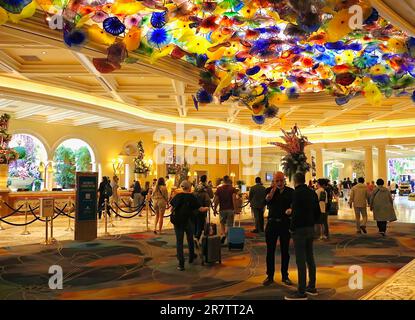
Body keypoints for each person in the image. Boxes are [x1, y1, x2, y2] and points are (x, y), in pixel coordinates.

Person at [284, 173, 320, 300]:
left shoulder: (296, 193)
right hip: (310, 227)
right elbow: (317, 211)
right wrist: (315, 225)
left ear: (295, 181)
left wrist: (291, 227)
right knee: (310, 257)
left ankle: (301, 291)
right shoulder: (312, 192)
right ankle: (312, 286)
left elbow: (297, 213)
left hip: (299, 229)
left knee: (300, 260)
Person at [263, 172, 294, 287]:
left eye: (281, 180)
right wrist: (270, 195)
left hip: (285, 224)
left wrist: (291, 209)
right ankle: (270, 276)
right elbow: (264, 202)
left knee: (285, 251)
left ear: (284, 180)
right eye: (277, 181)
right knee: (270, 251)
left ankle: (285, 276)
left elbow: (295, 205)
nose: (280, 183)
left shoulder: (291, 192)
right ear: (274, 181)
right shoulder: (269, 191)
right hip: (272, 224)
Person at [170, 180, 209, 271]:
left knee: (179, 242)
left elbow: (171, 209)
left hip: (178, 222)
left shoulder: (177, 196)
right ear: (190, 187)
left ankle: (181, 263)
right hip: (188, 221)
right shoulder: (192, 197)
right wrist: (207, 208)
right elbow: (200, 209)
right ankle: (191, 256)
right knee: (190, 239)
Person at [213, 175, 237, 244]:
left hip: (222, 209)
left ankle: (223, 234)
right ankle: (228, 238)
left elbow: (216, 200)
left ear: (223, 181)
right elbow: (234, 199)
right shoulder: (232, 189)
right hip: (230, 209)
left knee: (222, 223)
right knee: (230, 224)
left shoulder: (219, 189)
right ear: (229, 180)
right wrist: (235, 209)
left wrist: (214, 209)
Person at [193, 175, 214, 241]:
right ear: (206, 179)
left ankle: (195, 235)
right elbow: (211, 196)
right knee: (201, 222)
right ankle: (197, 237)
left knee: (195, 222)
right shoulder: (207, 188)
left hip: (195, 208)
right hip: (203, 207)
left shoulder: (196, 187)